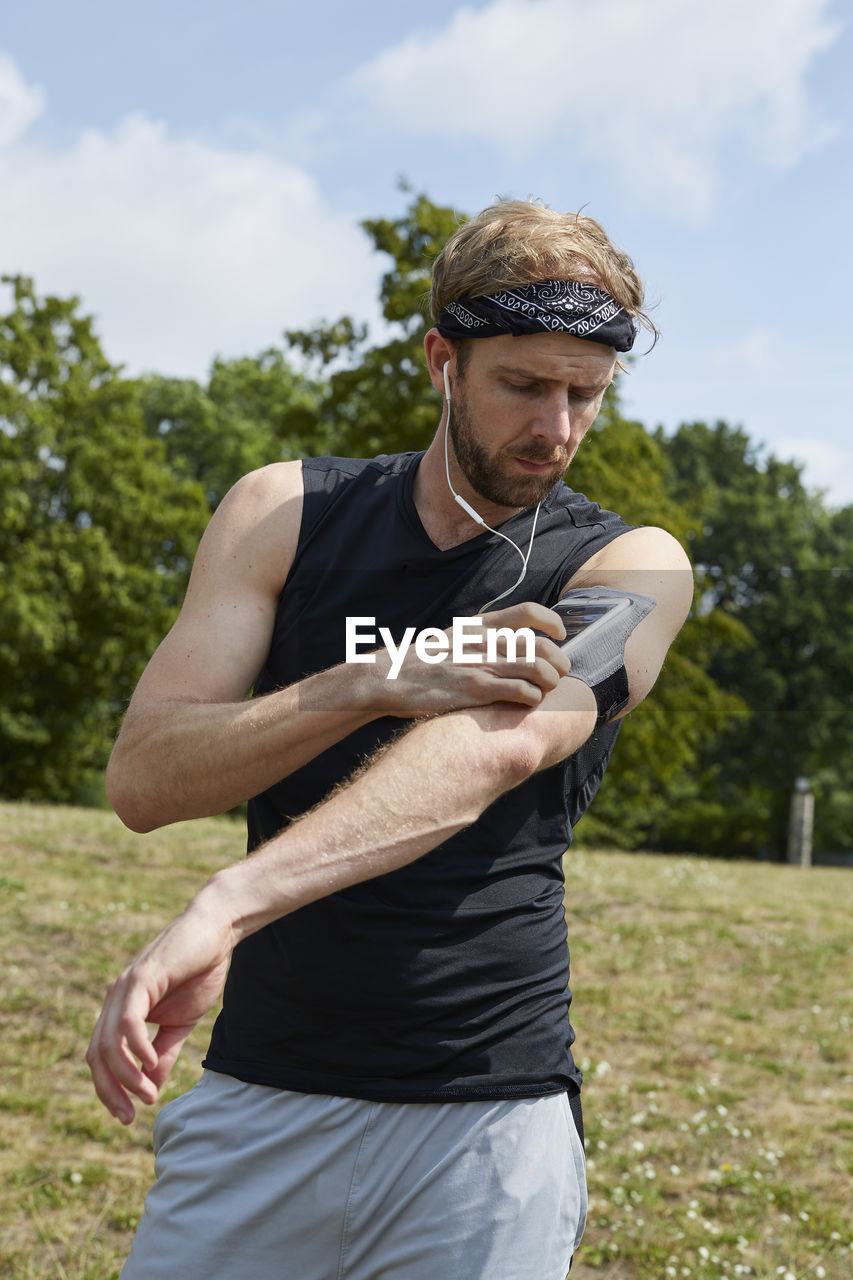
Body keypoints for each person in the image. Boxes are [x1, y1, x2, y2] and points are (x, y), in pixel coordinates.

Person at [87, 199, 693, 1279]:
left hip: (485, 1122)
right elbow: (143, 775)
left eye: (585, 395)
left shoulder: (632, 567)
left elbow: (496, 748)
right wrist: (374, 680)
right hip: (260, 1093)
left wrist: (225, 904)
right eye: (522, 385)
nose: (555, 426)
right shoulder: (285, 512)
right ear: (440, 361)